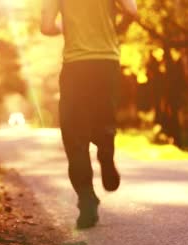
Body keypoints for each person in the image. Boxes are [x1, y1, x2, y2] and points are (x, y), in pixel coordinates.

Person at [41, 0, 139, 228]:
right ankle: (106, 152)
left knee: (74, 135)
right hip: (107, 62)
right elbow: (132, 11)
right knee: (104, 118)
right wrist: (117, 30)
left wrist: (63, 28)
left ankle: (86, 199)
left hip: (76, 65)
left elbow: (46, 26)